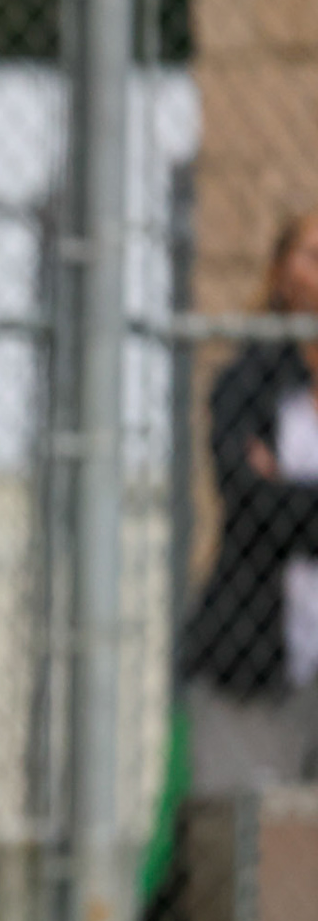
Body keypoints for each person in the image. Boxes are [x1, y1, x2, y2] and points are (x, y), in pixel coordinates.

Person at [181, 208, 318, 790]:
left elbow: (271, 503)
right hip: (256, 649)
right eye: (314, 256)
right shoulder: (246, 382)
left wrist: (285, 490)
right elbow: (246, 498)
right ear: (282, 272)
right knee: (251, 846)